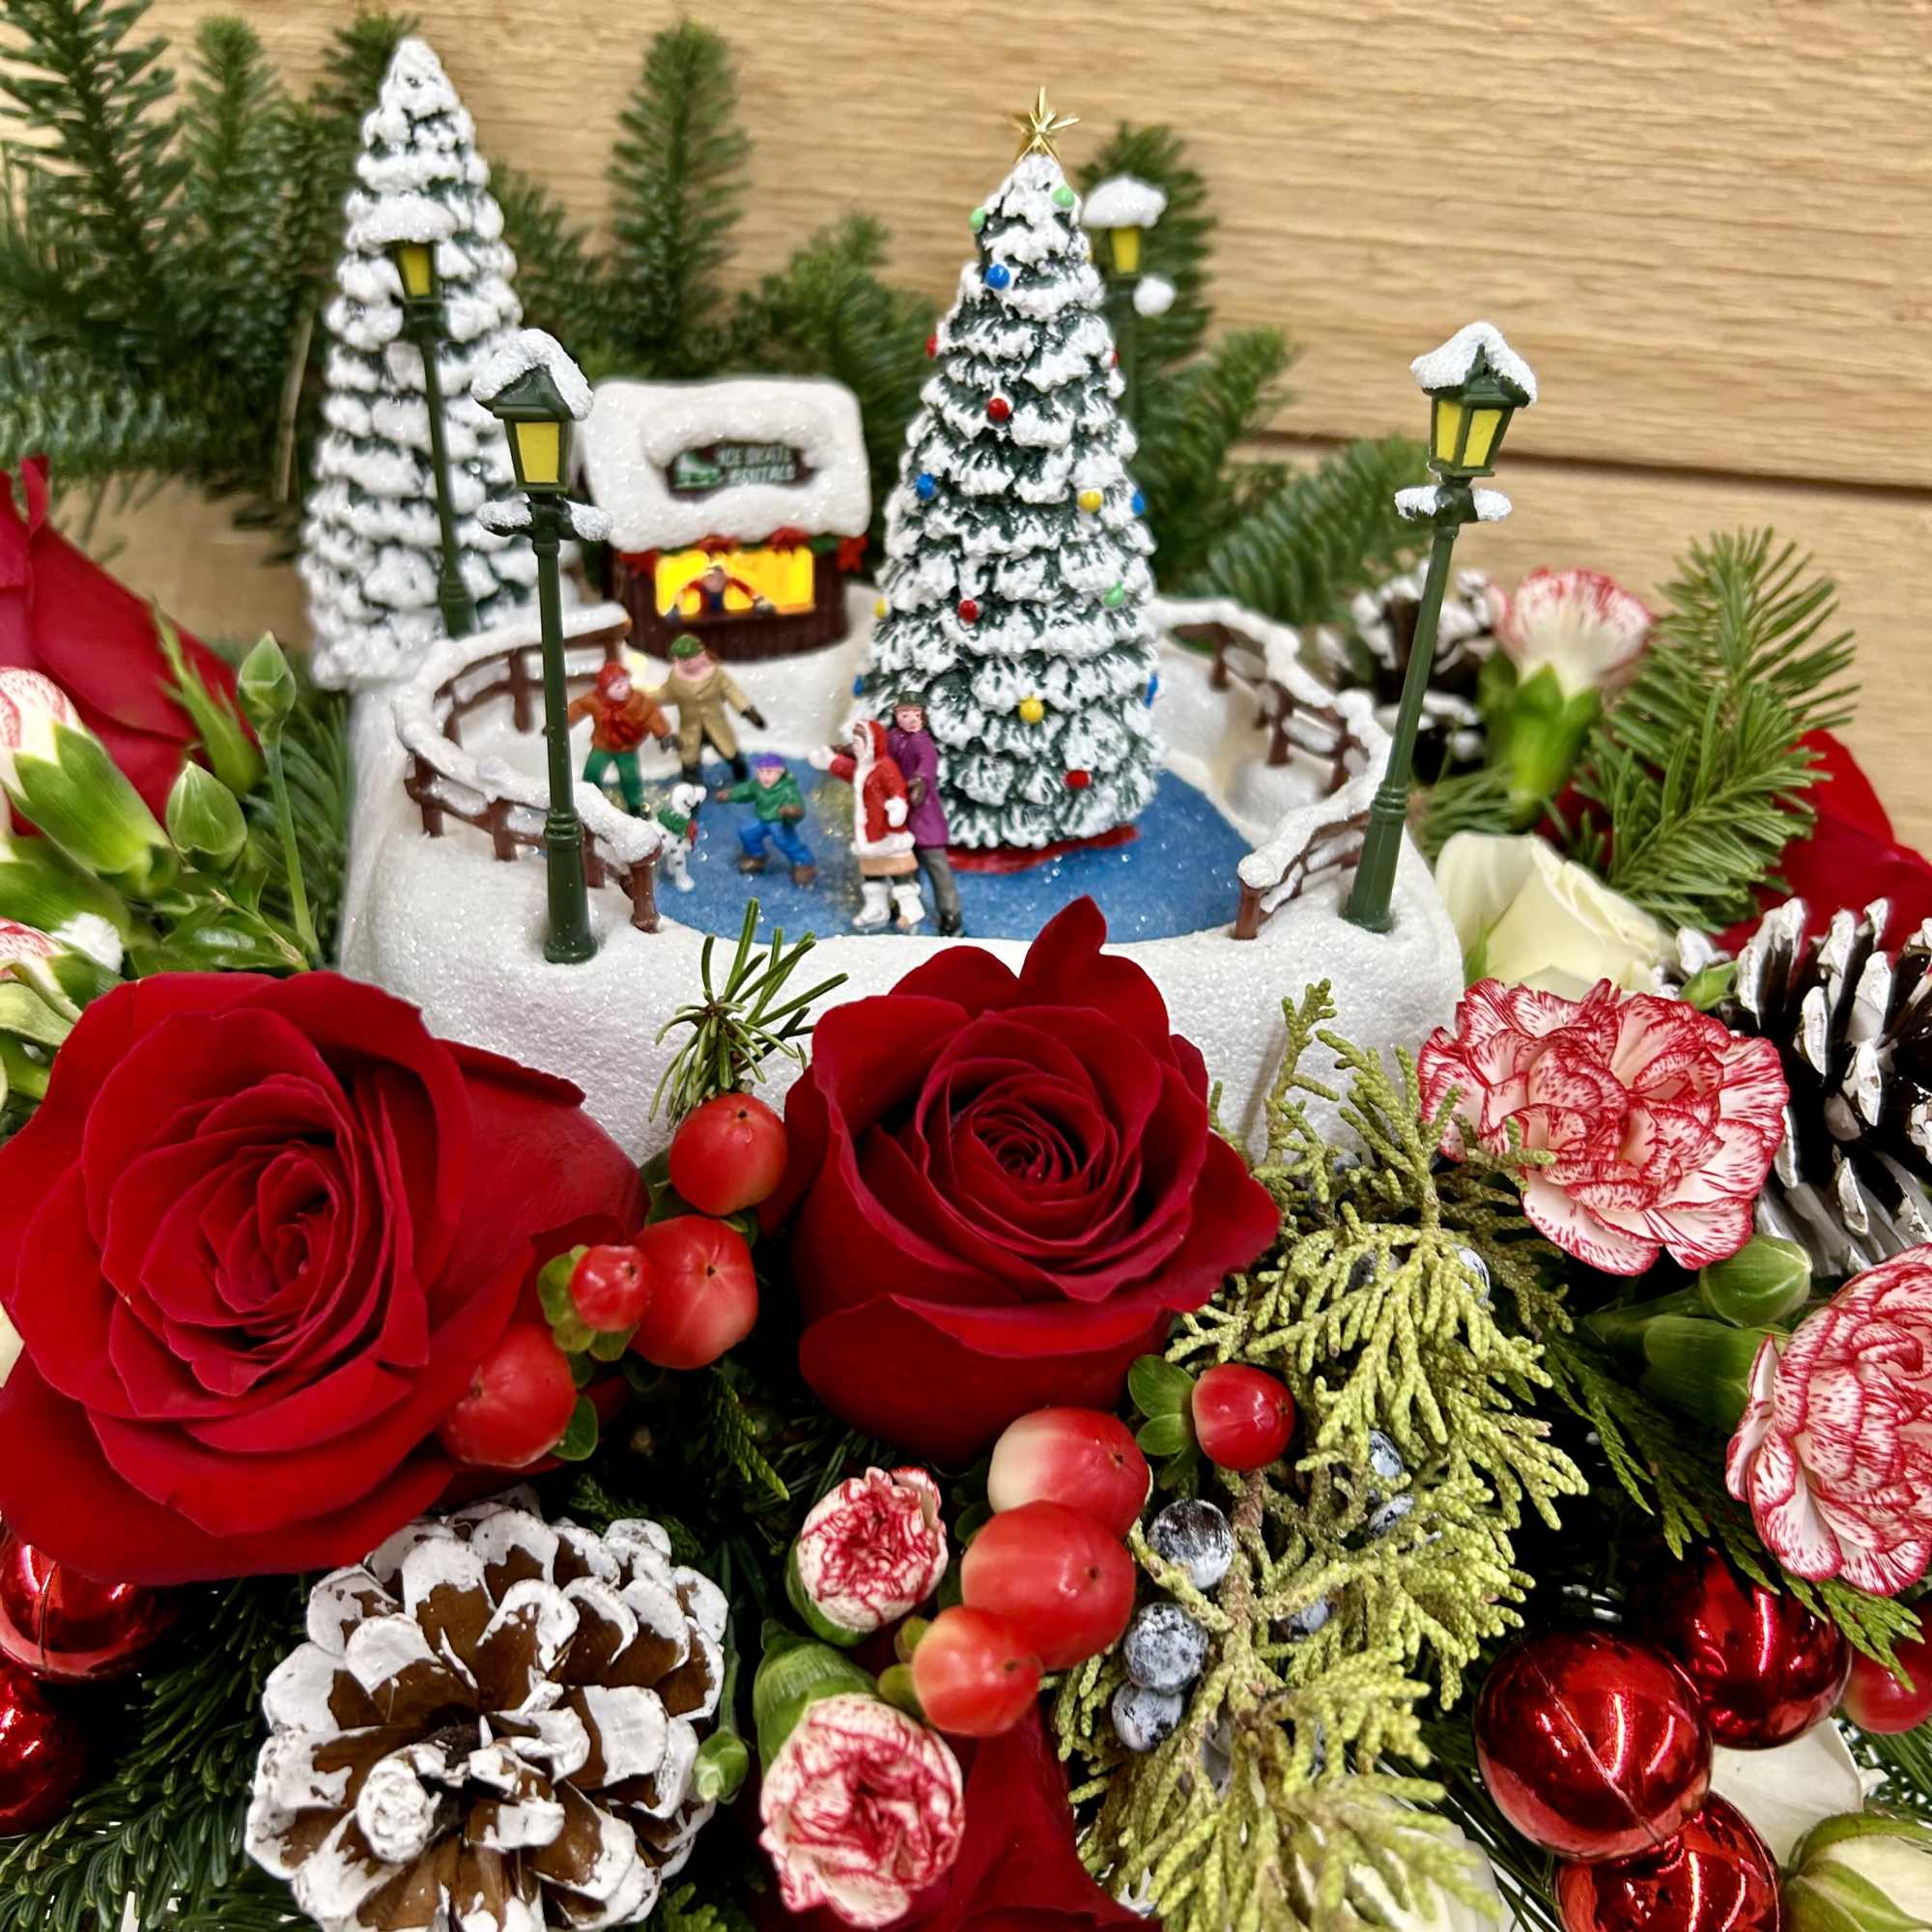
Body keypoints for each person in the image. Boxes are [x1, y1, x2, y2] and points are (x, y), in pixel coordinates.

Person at [811, 720, 924, 931]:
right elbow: (848, 770)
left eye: (858, 741)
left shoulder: (885, 767)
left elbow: (898, 791)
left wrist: (898, 808)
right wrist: (829, 761)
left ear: (872, 743)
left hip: (888, 833)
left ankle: (911, 909)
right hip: (869, 833)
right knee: (873, 873)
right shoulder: (862, 768)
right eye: (853, 741)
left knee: (899, 872)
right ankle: (876, 908)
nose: (854, 745)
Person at [885, 696, 962, 937]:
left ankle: (950, 914)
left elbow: (927, 766)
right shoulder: (893, 738)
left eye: (914, 714)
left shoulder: (922, 742)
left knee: (937, 868)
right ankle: (906, 906)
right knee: (904, 867)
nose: (908, 719)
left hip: (924, 816)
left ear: (922, 716)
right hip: (900, 814)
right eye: (903, 714)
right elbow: (879, 756)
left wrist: (919, 782)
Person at [648, 636, 768, 784]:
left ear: (701, 655)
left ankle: (738, 766)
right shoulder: (675, 680)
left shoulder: (716, 675)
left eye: (690, 658)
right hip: (691, 727)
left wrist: (748, 711)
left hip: (716, 724)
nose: (687, 663)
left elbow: (732, 691)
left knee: (727, 750)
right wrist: (640, 697)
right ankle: (691, 779)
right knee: (689, 756)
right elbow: (664, 694)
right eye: (682, 660)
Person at [566, 660, 672, 816]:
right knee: (592, 772)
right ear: (605, 690)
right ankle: (589, 799)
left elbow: (652, 715)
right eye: (618, 686)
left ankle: (635, 805)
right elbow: (578, 707)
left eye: (625, 683)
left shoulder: (637, 700)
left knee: (630, 776)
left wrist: (662, 735)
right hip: (602, 746)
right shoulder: (595, 700)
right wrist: (560, 723)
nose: (625, 689)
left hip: (626, 748)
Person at [715, 753, 816, 887]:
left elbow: (797, 806)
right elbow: (745, 790)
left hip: (780, 821)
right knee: (747, 833)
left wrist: (792, 810)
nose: (764, 776)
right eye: (761, 772)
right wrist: (730, 795)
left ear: (780, 773)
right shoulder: (757, 785)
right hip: (763, 818)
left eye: (769, 772)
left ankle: (804, 863)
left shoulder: (787, 789)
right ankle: (756, 856)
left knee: (784, 841)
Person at [663, 560, 775, 620]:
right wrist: (675, 606)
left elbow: (748, 590)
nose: (715, 581)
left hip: (723, 615)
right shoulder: (699, 583)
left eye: (719, 577)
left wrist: (758, 600)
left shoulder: (729, 580)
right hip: (704, 616)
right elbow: (683, 592)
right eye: (711, 577)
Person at [654, 781, 706, 894]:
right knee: (679, 858)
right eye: (692, 797)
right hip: (669, 843)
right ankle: (681, 879)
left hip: (666, 840)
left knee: (673, 853)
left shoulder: (668, 813)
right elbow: (681, 831)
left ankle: (671, 867)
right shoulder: (681, 822)